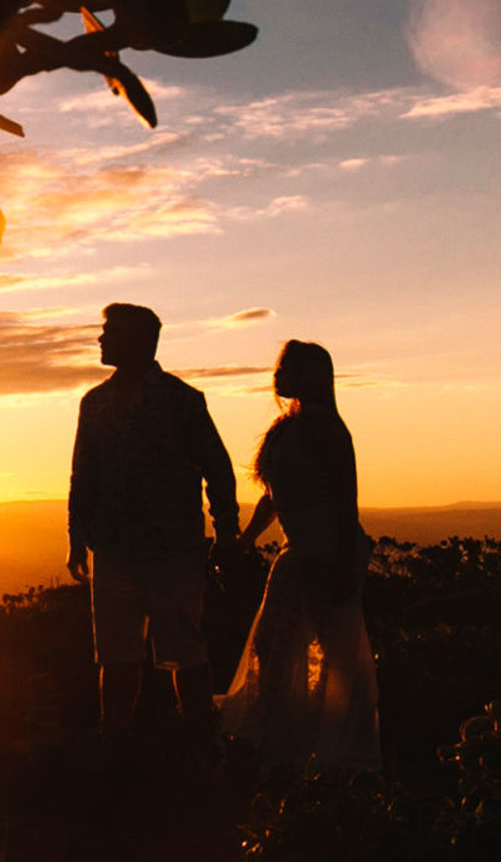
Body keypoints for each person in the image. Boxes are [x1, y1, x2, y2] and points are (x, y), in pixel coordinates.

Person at [66, 302, 240, 738]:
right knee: (116, 654)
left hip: (172, 550)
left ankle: (197, 742)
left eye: (110, 332)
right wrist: (76, 537)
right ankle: (118, 743)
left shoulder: (182, 402)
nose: (101, 339)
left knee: (185, 650)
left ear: (140, 340)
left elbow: (217, 470)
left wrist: (227, 533)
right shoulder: (95, 404)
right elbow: (83, 474)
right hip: (114, 549)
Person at [217, 340, 381, 771]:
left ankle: (343, 742)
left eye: (287, 367)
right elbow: (272, 498)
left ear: (311, 374)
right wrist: (245, 541)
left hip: (325, 551)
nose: (277, 375)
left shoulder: (325, 428)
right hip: (298, 554)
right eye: (278, 367)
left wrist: (345, 561)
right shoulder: (287, 427)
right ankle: (270, 734)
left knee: (333, 651)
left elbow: (347, 499)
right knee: (275, 646)